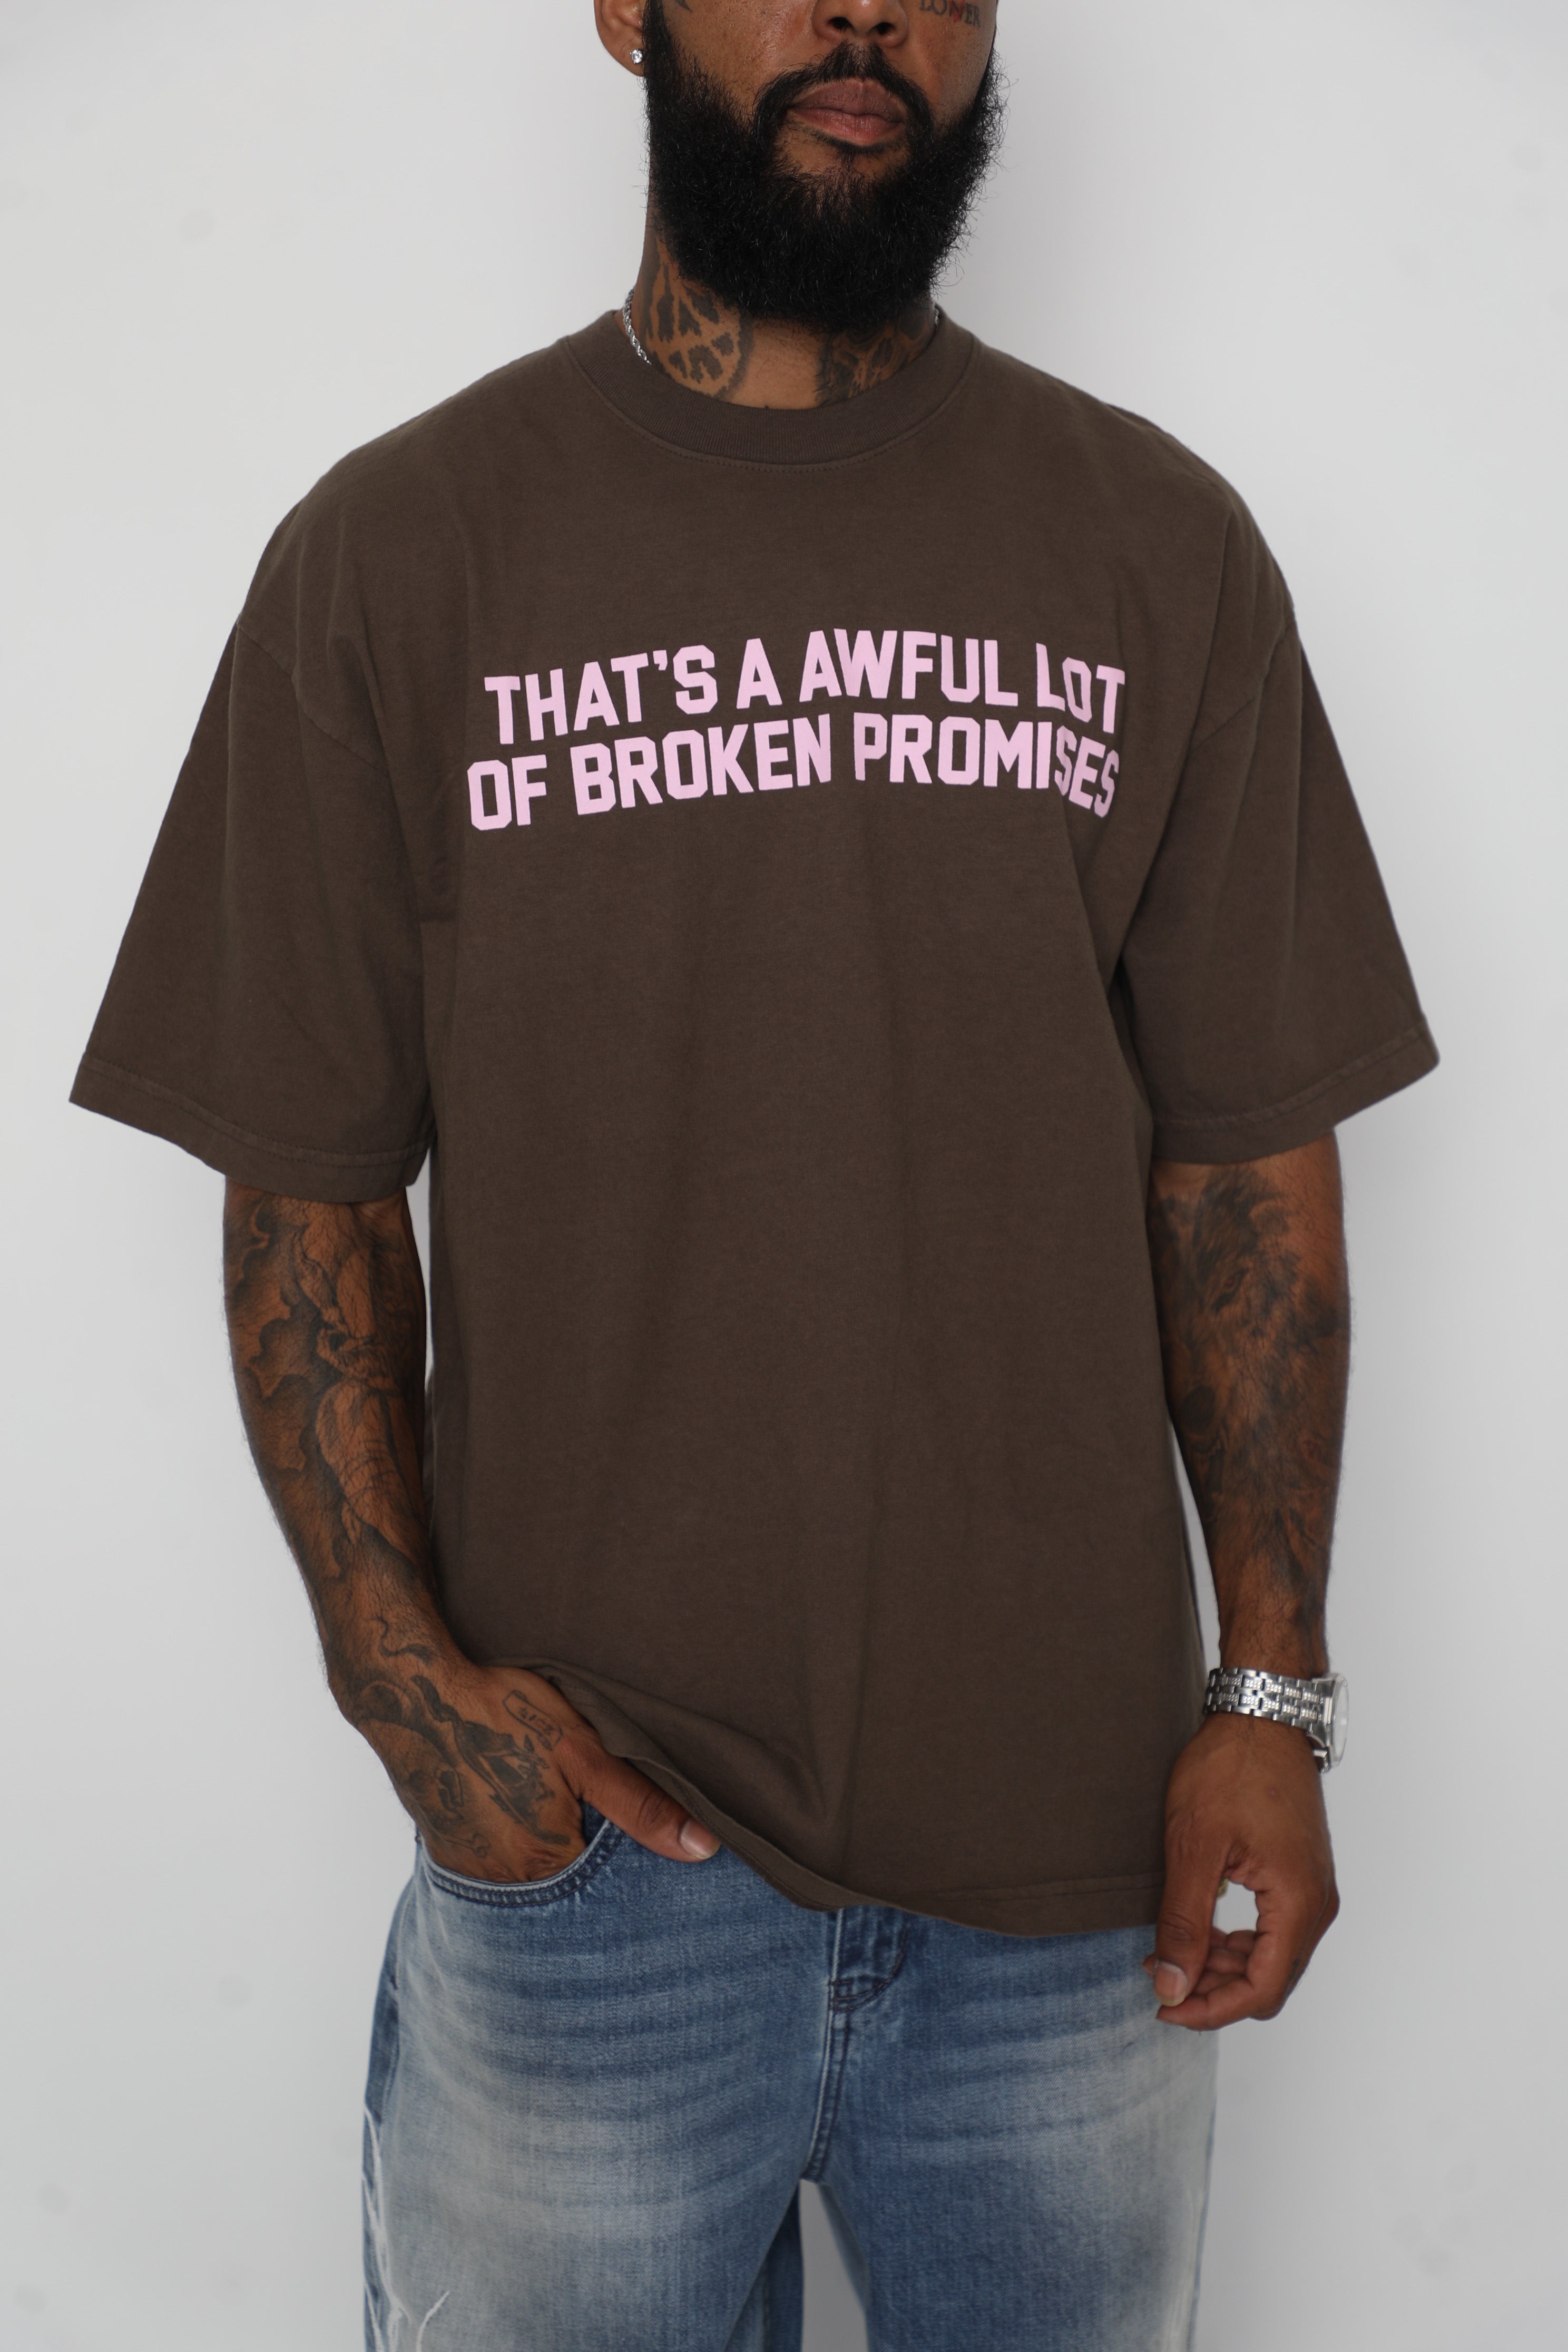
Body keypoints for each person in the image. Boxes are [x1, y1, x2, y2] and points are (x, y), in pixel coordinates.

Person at [71, 2, 1437, 2345]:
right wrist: (408, 1695)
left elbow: (1242, 1169)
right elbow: (310, 1187)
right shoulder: (401, 554)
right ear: (625, 8)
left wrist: (1273, 1697)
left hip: (1072, 1882)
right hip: (589, 1872)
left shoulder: (1155, 543)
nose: (863, 15)